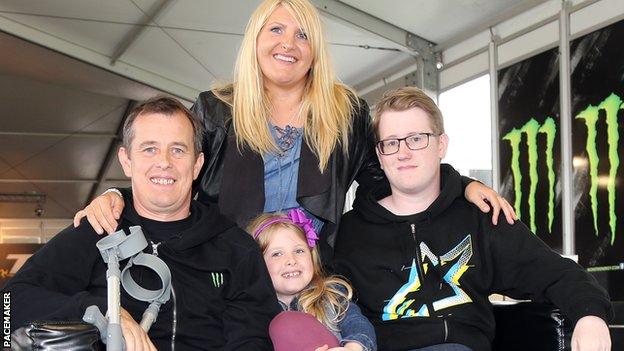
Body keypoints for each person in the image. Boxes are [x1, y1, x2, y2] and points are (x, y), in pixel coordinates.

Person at [73, 0, 515, 263]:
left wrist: (461, 185)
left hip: (313, 277)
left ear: (315, 52)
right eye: (277, 29)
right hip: (224, 271)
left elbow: (390, 178)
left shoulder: (344, 112)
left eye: (303, 35)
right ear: (256, 40)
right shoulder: (215, 110)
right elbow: (172, 172)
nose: (289, 43)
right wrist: (118, 197)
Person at [333, 87, 612, 351]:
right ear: (379, 155)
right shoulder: (350, 233)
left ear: (441, 145)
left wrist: (590, 315)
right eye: (391, 143)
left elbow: (556, 273)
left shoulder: (480, 219)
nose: (403, 152)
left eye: (417, 139)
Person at [2, 96, 280, 351]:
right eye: (149, 149)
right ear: (126, 160)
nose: (164, 162)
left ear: (197, 165)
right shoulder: (97, 229)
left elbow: (253, 339)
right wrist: (103, 311)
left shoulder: (236, 249)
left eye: (178, 150)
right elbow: (8, 304)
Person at [247, 209, 377, 351]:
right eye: (277, 254)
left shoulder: (332, 295)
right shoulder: (253, 311)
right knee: (283, 324)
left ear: (312, 256)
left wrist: (353, 348)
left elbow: (357, 324)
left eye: (299, 251)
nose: (291, 260)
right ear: (257, 264)